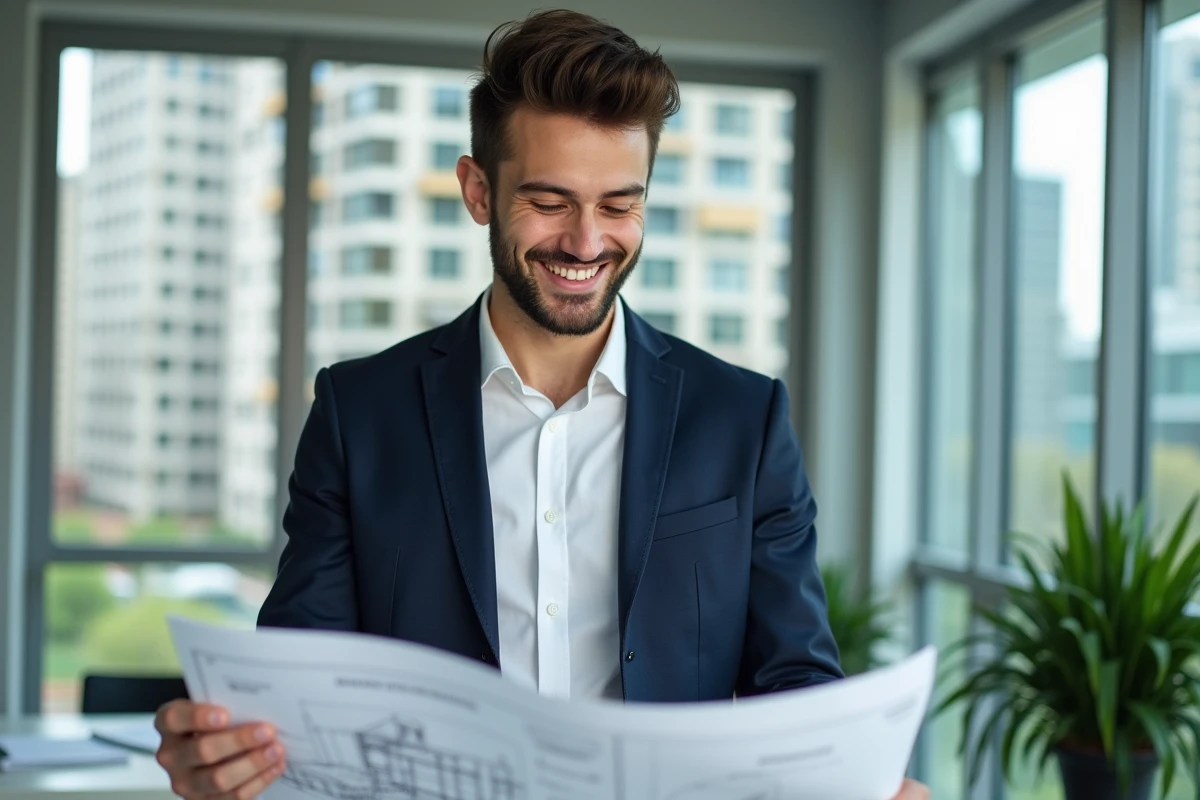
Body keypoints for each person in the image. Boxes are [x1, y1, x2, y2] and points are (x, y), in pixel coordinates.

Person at [153, 9, 930, 800]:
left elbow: (794, 679)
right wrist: (228, 761)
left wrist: (851, 778)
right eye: (551, 202)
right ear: (478, 190)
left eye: (620, 205)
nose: (588, 243)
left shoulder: (744, 420)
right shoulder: (360, 415)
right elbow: (297, 691)